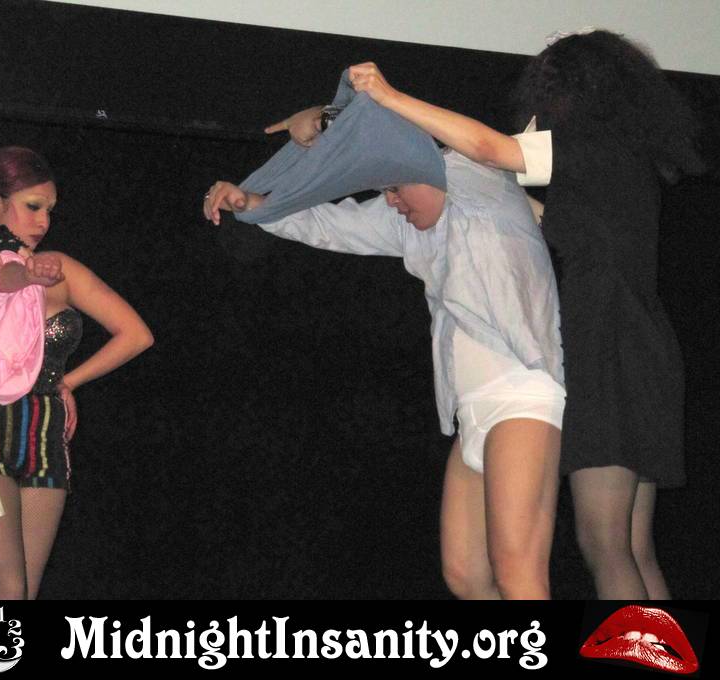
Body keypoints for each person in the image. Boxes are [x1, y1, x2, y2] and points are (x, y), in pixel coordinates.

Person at [268, 30, 704, 598]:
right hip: (644, 347)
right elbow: (502, 191)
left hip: (608, 345)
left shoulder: (588, 142)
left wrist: (379, 102)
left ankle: (632, 650)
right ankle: (659, 650)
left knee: (605, 545)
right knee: (633, 548)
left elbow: (485, 149)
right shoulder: (613, 166)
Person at [205, 74, 565, 599]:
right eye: (385, 191)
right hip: (472, 414)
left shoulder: (481, 184)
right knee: (466, 577)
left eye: (395, 187)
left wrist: (326, 120)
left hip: (521, 398)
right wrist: (251, 204)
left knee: (518, 572)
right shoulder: (408, 225)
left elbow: (404, 138)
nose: (391, 201)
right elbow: (328, 225)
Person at [0, 146, 154, 599]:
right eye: (32, 206)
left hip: (45, 433)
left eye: (49, 209)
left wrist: (69, 381)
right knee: (5, 592)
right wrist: (8, 258)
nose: (44, 220)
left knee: (23, 597)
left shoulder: (59, 267)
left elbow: (136, 335)